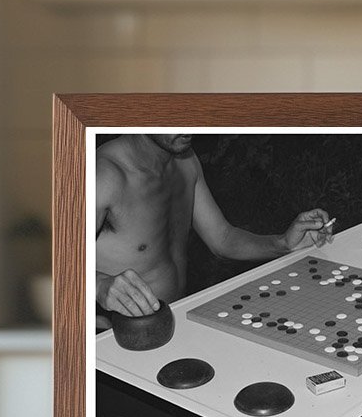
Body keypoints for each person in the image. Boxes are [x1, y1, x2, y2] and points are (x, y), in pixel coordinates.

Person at [96, 134, 334, 327]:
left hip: (177, 322)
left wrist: (283, 244)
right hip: (112, 339)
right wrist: (99, 285)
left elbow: (223, 239)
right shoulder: (104, 175)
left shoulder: (185, 160)